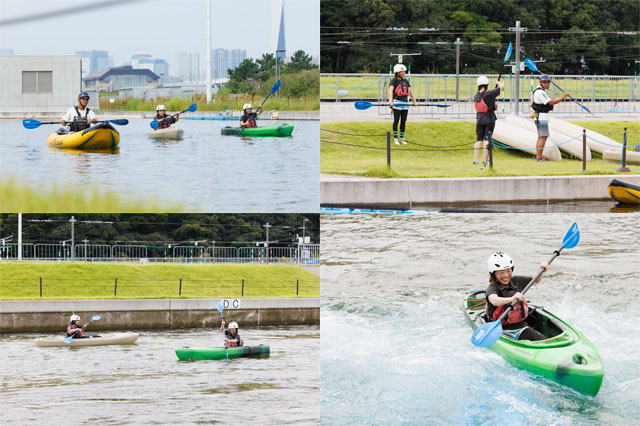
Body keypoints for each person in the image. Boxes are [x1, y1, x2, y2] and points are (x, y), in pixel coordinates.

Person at [484, 252, 549, 341]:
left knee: (542, 340)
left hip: (520, 327)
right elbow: (494, 300)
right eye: (501, 272)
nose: (506, 275)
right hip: (498, 330)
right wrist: (511, 299)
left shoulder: (516, 281)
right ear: (493, 274)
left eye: (508, 271)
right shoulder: (492, 287)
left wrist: (541, 270)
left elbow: (535, 281)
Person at [531, 75, 568, 162]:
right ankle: (539, 157)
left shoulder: (542, 91)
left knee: (541, 137)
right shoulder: (540, 92)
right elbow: (550, 102)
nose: (547, 84)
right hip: (541, 118)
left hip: (541, 117)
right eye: (545, 82)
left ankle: (538, 156)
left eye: (548, 82)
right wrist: (563, 97)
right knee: (543, 137)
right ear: (541, 83)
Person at [473, 76, 505, 165]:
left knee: (478, 140)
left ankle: (476, 160)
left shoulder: (476, 95)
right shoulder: (489, 94)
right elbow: (502, 86)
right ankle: (484, 160)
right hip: (489, 119)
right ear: (486, 85)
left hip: (479, 119)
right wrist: (498, 83)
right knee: (487, 140)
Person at [388, 64, 418, 145]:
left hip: (405, 103)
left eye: (404, 71)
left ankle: (401, 137)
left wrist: (414, 101)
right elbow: (391, 91)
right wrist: (391, 101)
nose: (404, 73)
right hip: (397, 103)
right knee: (396, 120)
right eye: (402, 71)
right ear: (397, 72)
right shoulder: (393, 81)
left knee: (403, 121)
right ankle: (395, 138)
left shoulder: (405, 81)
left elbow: (410, 91)